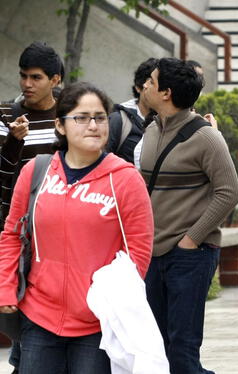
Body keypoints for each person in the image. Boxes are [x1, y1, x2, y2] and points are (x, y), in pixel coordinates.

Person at [0, 82, 154, 374]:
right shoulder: (35, 171)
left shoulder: (126, 179)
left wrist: (112, 304)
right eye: (81, 117)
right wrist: (5, 288)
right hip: (39, 317)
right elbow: (11, 235)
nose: (93, 125)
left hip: (97, 323)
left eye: (100, 117)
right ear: (60, 125)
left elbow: (138, 253)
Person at [140, 57, 238, 374]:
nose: (145, 85)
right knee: (156, 345)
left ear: (166, 92)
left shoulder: (206, 137)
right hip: (152, 254)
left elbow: (229, 192)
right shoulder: (152, 129)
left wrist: (190, 240)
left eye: (152, 81)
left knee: (182, 351)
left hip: (189, 256)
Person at [0, 41, 63, 226]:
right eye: (23, 76)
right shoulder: (5, 115)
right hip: (9, 224)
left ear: (55, 80)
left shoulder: (68, 116)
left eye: (36, 78)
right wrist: (14, 141)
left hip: (50, 223)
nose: (27, 84)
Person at [106, 57, 157, 164]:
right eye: (150, 83)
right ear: (139, 87)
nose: (155, 91)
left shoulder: (166, 121)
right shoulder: (119, 118)